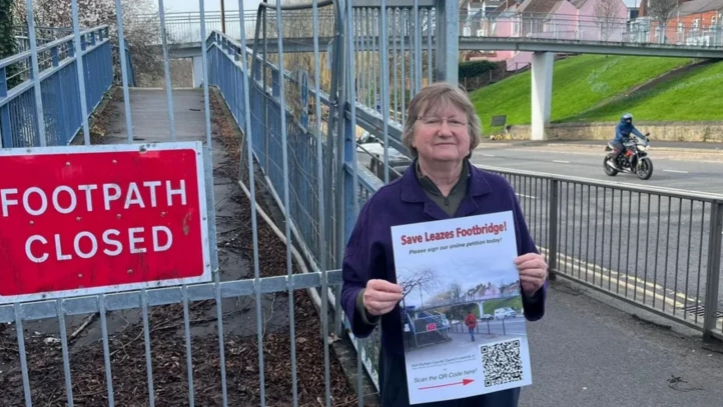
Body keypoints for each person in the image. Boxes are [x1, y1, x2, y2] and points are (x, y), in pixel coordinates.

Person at [341, 82, 548, 407]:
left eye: (455, 122)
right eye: (432, 120)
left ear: (470, 136)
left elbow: (526, 275)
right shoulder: (384, 205)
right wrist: (365, 302)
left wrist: (534, 281)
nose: (445, 131)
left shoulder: (498, 193)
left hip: (494, 366)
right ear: (411, 134)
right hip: (417, 372)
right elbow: (351, 285)